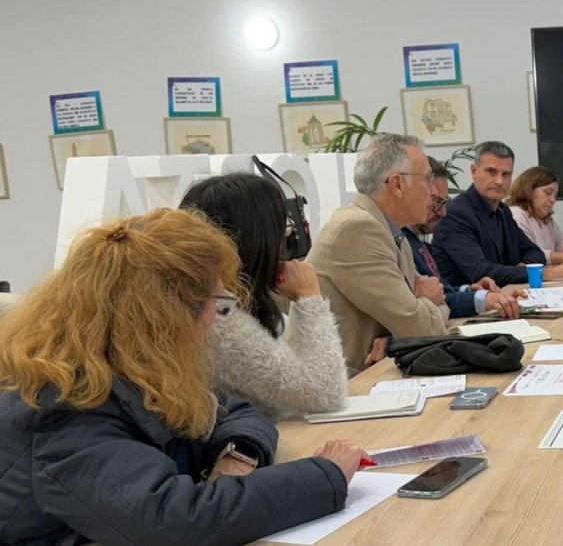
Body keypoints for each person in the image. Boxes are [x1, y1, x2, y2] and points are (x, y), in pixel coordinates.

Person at [0, 209, 368, 545]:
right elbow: (173, 521)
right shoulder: (64, 401)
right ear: (165, 316)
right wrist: (325, 475)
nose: (215, 321)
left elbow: (234, 410)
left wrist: (237, 455)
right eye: (217, 305)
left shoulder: (130, 366)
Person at [178, 173, 348, 421]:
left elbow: (295, 371)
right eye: (283, 226)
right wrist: (309, 299)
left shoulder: (211, 303)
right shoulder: (216, 321)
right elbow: (325, 394)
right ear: (257, 238)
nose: (288, 235)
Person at [307, 134, 451, 373]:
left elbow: (435, 309)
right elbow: (422, 329)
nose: (433, 190)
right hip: (348, 384)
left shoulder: (390, 228)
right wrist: (423, 305)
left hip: (378, 370)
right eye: (428, 180)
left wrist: (414, 316)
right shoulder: (357, 229)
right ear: (397, 184)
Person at [433, 141, 563, 287]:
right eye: (491, 172)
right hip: (469, 305)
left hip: (504, 297)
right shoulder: (457, 213)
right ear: (474, 171)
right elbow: (480, 272)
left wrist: (521, 268)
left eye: (506, 174)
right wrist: (544, 273)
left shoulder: (503, 211)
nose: (499, 181)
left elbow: (534, 252)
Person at [403, 158, 521, 320]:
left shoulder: (414, 241)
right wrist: (482, 299)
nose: (443, 212)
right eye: (436, 202)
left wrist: (468, 291)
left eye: (444, 202)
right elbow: (432, 302)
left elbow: (440, 290)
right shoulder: (400, 242)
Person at [509, 165, 563, 265]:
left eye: (555, 195)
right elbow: (529, 254)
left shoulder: (546, 219)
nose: (553, 200)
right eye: (548, 192)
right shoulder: (516, 215)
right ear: (529, 189)